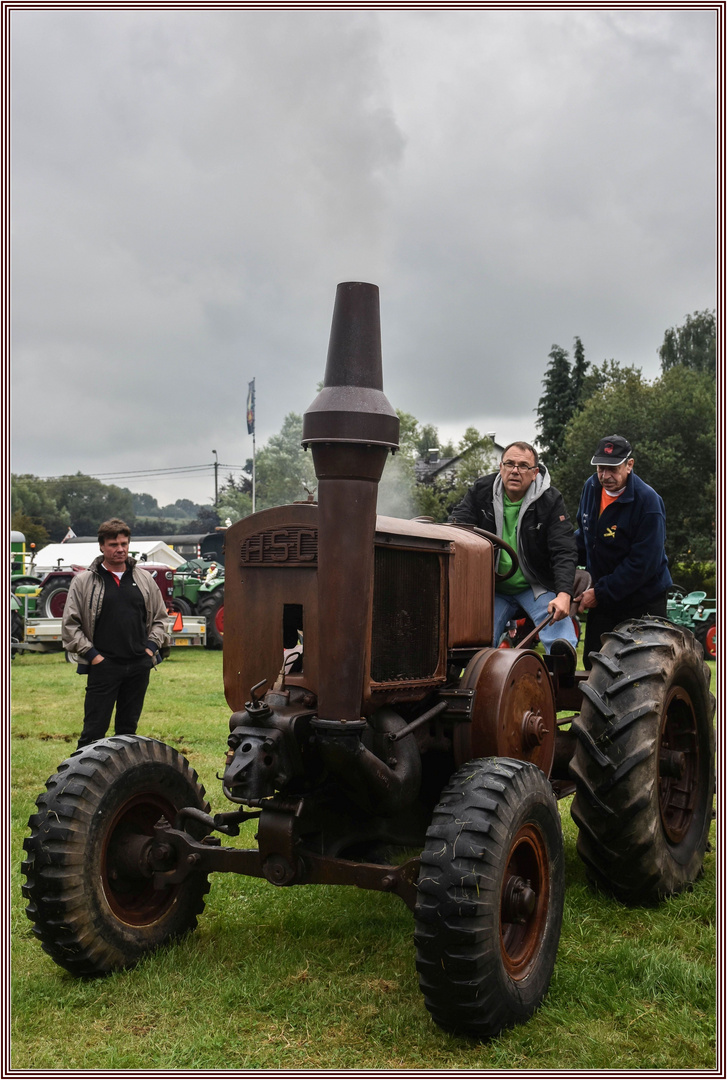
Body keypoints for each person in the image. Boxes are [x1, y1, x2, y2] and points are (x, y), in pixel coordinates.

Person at [449, 441, 579, 660]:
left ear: (535, 472)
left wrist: (565, 595)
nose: (515, 470)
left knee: (559, 633)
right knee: (471, 639)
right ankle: (467, 683)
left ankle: (561, 675)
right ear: (501, 467)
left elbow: (564, 549)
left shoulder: (550, 500)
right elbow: (457, 530)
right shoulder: (481, 491)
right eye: (509, 464)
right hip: (492, 587)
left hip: (534, 586)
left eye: (523, 466)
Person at [62, 518, 170, 748]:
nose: (119, 549)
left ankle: (122, 782)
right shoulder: (84, 581)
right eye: (113, 544)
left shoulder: (143, 579)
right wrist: (93, 656)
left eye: (123, 543)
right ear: (101, 546)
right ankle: (78, 781)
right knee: (93, 733)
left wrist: (150, 649)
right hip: (104, 666)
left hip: (138, 666)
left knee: (128, 732)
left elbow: (161, 618)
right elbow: (71, 626)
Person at [574, 434, 672, 668]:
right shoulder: (591, 487)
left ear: (629, 465)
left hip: (643, 602)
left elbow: (643, 564)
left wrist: (599, 593)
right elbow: (585, 537)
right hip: (605, 601)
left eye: (612, 469)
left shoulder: (648, 503)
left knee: (642, 672)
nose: (605, 476)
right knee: (596, 668)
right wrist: (561, 561)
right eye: (600, 468)